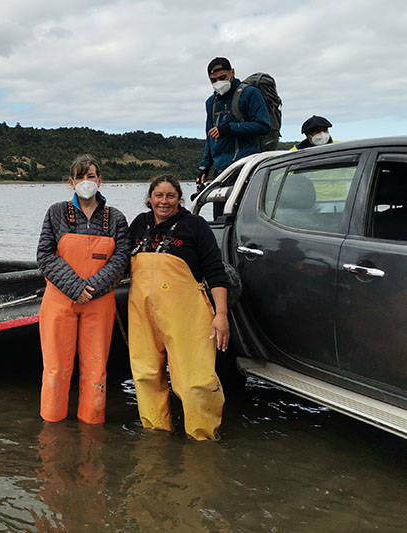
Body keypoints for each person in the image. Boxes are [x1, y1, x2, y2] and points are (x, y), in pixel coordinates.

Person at [127, 175, 230, 440]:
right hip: (142, 314)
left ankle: (203, 438)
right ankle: (156, 435)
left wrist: (221, 315)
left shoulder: (195, 226)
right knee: (146, 375)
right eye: (158, 196)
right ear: (150, 199)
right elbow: (120, 263)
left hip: (187, 315)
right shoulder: (139, 224)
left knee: (195, 380)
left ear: (179, 199)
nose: (164, 202)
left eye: (170, 196)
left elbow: (216, 273)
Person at [36, 155, 130, 424]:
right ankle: (52, 427)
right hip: (59, 301)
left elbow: (121, 258)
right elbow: (45, 256)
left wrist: (94, 287)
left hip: (99, 303)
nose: (86, 182)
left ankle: (91, 430)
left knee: (96, 370)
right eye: (80, 177)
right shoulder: (56, 212)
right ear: (71, 182)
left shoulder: (116, 218)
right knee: (55, 369)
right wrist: (76, 287)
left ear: (100, 181)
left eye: (91, 176)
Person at [197, 57, 271, 187]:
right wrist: (204, 167)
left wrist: (229, 129)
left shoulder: (250, 93)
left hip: (247, 166)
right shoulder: (211, 103)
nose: (218, 82)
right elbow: (210, 138)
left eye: (222, 77)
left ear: (232, 72)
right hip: (222, 172)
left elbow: (263, 125)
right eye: (213, 80)